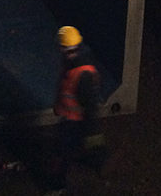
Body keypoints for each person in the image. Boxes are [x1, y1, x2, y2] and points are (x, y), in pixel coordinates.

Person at [45, 26, 106, 195]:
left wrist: (91, 129)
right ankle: (93, 159)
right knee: (75, 147)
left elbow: (90, 105)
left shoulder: (81, 72)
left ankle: (58, 187)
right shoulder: (75, 61)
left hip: (74, 121)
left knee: (62, 154)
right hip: (72, 118)